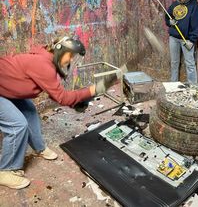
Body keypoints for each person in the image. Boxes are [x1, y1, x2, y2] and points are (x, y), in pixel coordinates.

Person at [0, 36, 123, 189]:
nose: (70, 59)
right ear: (60, 50)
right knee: (17, 125)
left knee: (30, 111)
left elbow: (56, 94)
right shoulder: (43, 65)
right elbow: (62, 97)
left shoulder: (46, 59)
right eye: (70, 55)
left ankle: (39, 148)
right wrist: (93, 90)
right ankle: (6, 170)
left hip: (6, 88)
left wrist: (75, 102)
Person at [165, 0, 198, 83]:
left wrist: (192, 40)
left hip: (187, 40)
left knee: (190, 63)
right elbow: (168, 16)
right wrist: (169, 22)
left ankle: (193, 87)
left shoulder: (194, 6)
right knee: (174, 63)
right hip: (173, 38)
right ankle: (173, 84)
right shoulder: (175, 4)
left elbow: (196, 25)